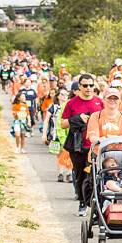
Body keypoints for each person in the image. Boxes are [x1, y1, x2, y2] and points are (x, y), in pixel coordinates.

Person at [61, 73, 104, 217]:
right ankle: (82, 202)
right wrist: (77, 119)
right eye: (85, 85)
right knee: (80, 175)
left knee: (95, 175)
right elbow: (63, 124)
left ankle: (96, 204)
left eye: (91, 85)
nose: (88, 88)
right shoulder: (72, 103)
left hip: (95, 146)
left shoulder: (99, 102)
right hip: (78, 145)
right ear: (79, 87)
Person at [45, 88, 74, 183]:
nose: (64, 96)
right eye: (62, 94)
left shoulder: (70, 106)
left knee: (69, 153)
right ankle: (60, 173)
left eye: (66, 94)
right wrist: (44, 134)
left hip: (68, 133)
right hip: (55, 134)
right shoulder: (53, 107)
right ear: (58, 96)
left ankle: (69, 173)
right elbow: (46, 120)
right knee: (59, 154)